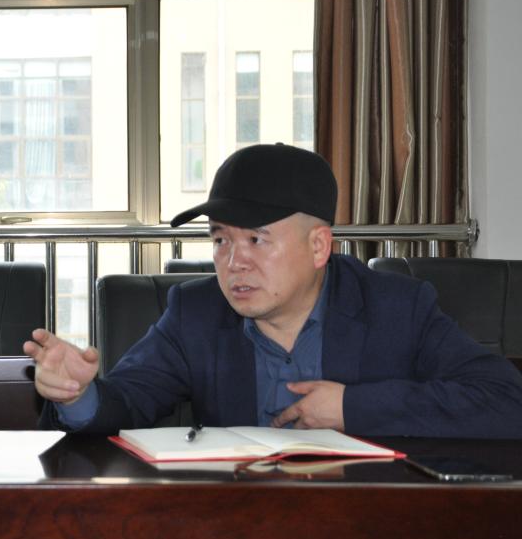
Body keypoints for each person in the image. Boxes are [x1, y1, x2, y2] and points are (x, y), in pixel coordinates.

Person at [26, 143, 522, 438]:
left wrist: (351, 408)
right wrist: (78, 394)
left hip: (365, 533)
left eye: (256, 239)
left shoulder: (397, 308)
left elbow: (505, 401)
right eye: (220, 239)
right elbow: (127, 401)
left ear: (318, 246)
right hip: (240, 535)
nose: (234, 261)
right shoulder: (194, 313)